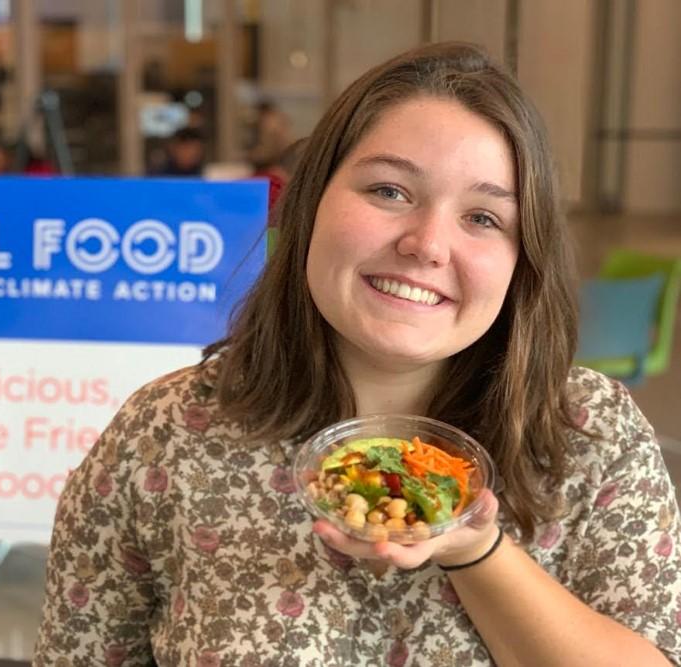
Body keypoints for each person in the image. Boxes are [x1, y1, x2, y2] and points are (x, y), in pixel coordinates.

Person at [33, 43, 681, 666]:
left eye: (483, 218)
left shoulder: (588, 431)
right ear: (311, 203)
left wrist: (475, 547)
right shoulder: (167, 431)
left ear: (522, 258)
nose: (426, 244)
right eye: (389, 192)